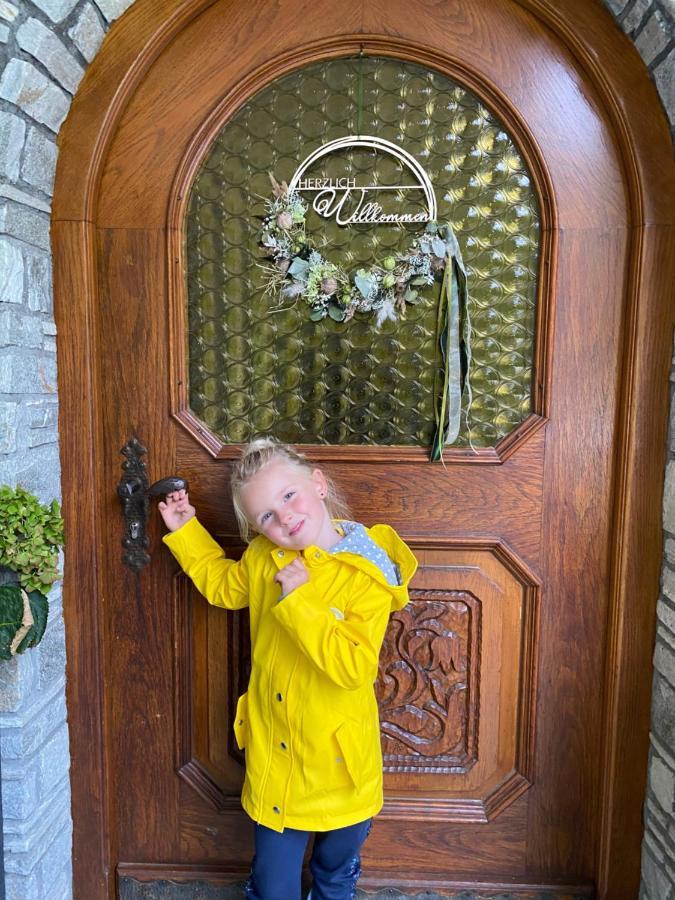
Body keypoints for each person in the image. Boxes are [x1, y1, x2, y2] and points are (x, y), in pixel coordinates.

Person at [158, 438, 417, 900]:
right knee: (272, 885)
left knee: (334, 875)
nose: (284, 518)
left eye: (288, 496)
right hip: (279, 760)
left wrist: (301, 602)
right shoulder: (264, 557)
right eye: (266, 517)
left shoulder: (365, 576)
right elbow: (223, 587)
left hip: (340, 769)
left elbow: (353, 667)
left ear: (317, 485)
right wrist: (185, 531)